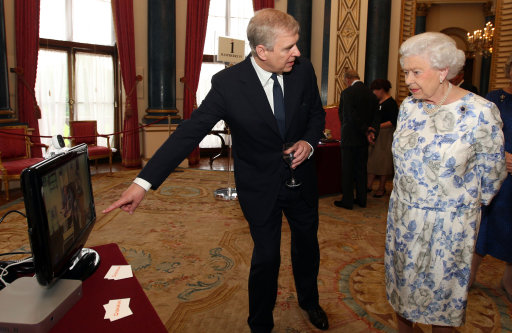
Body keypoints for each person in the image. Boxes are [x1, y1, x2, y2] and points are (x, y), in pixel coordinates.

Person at [103, 9, 328, 333]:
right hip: (259, 186)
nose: (298, 53)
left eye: (296, 45)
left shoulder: (303, 70)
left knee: (307, 246)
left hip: (301, 181)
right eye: (288, 47)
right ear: (262, 51)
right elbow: (189, 133)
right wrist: (142, 183)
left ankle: (310, 301)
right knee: (266, 258)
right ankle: (260, 324)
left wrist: (308, 141)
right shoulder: (228, 85)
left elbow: (316, 116)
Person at [385, 32, 506, 332]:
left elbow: (493, 171)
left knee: (442, 305)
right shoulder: (409, 107)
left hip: (450, 228)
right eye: (405, 72)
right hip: (403, 219)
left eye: (416, 72)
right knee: (403, 295)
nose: (408, 80)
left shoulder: (481, 112)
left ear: (442, 72)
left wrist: (462, 204)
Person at [470, 54, 512, 302]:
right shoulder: (495, 99)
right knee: (482, 225)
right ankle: (469, 275)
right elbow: (479, 135)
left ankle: (508, 280)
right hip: (494, 175)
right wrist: (501, 156)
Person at [334, 70, 379, 210]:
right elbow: (376, 116)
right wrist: (370, 131)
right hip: (363, 139)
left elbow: (348, 116)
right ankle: (361, 199)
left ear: (347, 79)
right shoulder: (371, 94)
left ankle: (347, 201)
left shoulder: (347, 93)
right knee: (361, 169)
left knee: (347, 170)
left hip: (349, 137)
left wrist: (364, 128)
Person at [367, 79, 399, 198]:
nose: (374, 92)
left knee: (383, 162)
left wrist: (377, 126)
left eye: (375, 90)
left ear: (381, 90)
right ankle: (369, 185)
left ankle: (381, 187)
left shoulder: (391, 103)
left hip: (386, 135)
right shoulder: (377, 102)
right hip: (375, 133)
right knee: (371, 160)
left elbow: (393, 121)